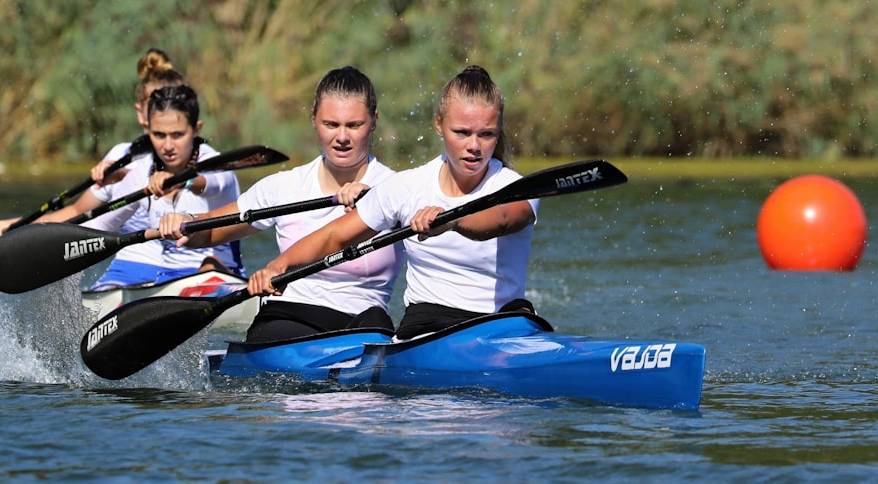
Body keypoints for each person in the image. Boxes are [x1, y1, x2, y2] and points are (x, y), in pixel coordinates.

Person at [246, 65, 539, 341]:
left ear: (498, 132)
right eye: (461, 132)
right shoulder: (405, 187)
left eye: (486, 134)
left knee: (521, 312)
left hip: (498, 321)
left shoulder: (515, 186)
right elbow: (334, 236)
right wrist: (279, 265)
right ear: (439, 125)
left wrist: (451, 220)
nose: (473, 146)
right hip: (426, 325)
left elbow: (502, 219)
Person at [160, 66, 403, 342]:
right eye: (331, 125)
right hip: (289, 315)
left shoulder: (396, 188)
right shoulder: (285, 186)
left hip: (362, 319)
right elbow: (211, 230)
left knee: (377, 324)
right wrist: (185, 223)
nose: (342, 137)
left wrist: (379, 202)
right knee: (270, 333)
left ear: (374, 122)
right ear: (313, 119)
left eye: (354, 125)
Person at [0, 48, 187, 238]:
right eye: (156, 104)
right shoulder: (121, 155)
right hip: (128, 265)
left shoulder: (198, 154)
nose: (165, 113)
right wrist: (18, 228)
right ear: (140, 112)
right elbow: (77, 212)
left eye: (174, 105)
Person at [81, 84, 243, 289]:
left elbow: (213, 184)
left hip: (219, 275)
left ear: (196, 129)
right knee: (110, 288)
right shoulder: (142, 172)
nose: (167, 146)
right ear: (148, 131)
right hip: (167, 280)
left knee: (208, 267)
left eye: (177, 135)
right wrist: (55, 245)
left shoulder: (216, 165)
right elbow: (99, 226)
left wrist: (185, 181)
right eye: (159, 135)